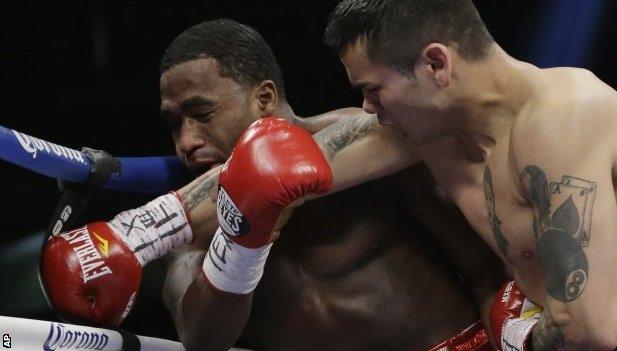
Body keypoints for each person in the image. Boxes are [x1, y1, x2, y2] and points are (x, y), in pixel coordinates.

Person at [40, 19, 505, 351]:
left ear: (264, 98)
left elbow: (484, 268)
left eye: (201, 115)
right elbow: (203, 338)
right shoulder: (189, 232)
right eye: (173, 124)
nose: (186, 142)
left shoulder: (373, 142)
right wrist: (243, 240)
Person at [318, 0, 617, 349]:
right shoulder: (434, 126)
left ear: (436, 64)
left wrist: (517, 338)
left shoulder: (561, 124)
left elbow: (593, 328)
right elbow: (301, 166)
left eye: (373, 90)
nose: (369, 108)